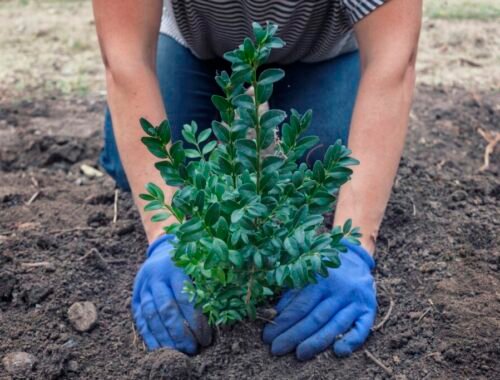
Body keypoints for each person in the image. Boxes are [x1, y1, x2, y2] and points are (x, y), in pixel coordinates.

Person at [92, 0, 422, 360]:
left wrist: (353, 245)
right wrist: (166, 234)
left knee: (325, 166)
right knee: (143, 166)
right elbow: (126, 60)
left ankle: (264, 133)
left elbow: (392, 62)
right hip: (195, 43)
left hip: (323, 50)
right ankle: (233, 134)